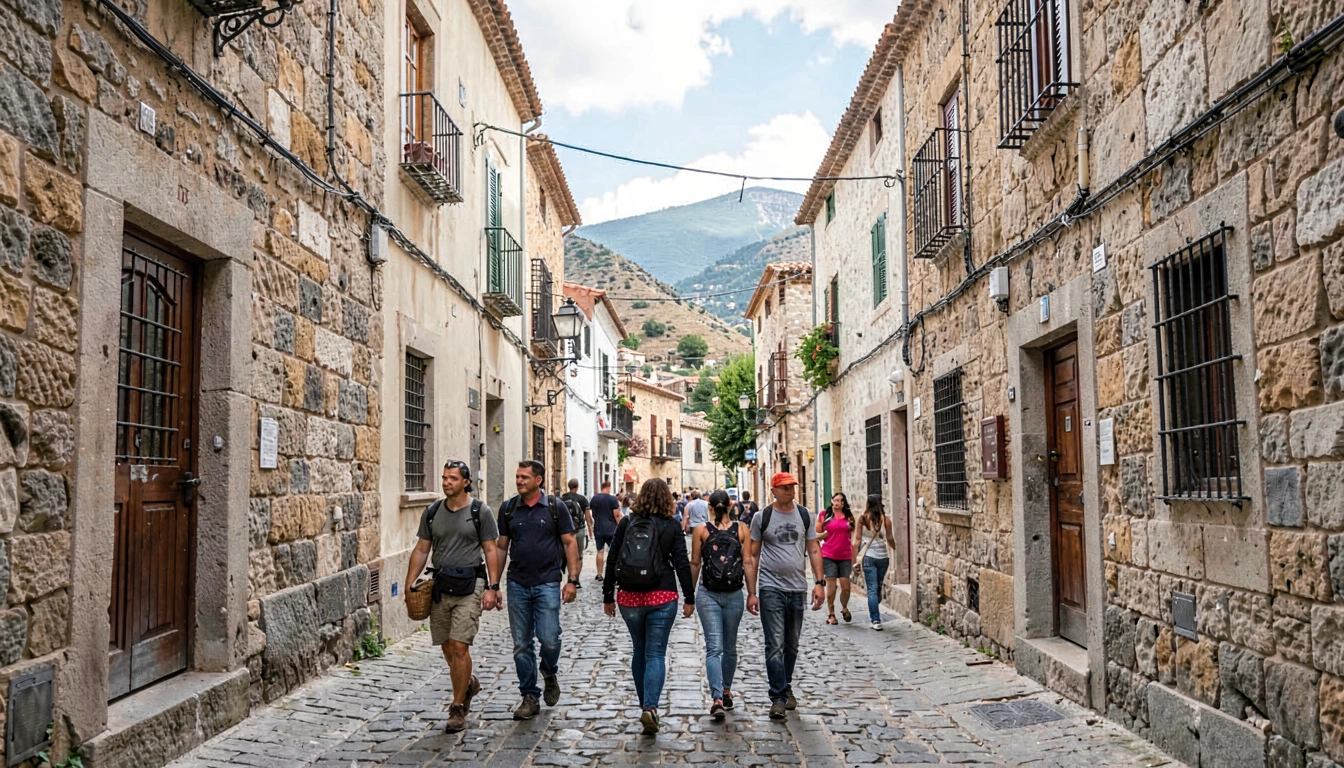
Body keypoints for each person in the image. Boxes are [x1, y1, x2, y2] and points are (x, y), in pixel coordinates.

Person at [405, 460, 502, 733]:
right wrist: (409, 583)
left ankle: (458, 707)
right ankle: (468, 683)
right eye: (444, 477)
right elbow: (422, 548)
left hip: (471, 584)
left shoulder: (480, 511)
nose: (447, 482)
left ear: (466, 482)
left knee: (460, 646)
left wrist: (493, 587)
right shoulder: (433, 511)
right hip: (441, 584)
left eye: (452, 478)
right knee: (447, 647)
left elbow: (491, 550)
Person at [603, 478, 695, 735]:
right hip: (662, 596)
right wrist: (689, 596)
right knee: (655, 654)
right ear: (667, 498)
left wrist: (608, 594)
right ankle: (650, 708)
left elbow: (613, 559)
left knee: (639, 650)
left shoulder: (627, 522)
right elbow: (682, 563)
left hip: (629, 598)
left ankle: (645, 704)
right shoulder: (671, 525)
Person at [495, 460, 582, 720]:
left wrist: (572, 580)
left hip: (548, 581)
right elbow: (501, 548)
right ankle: (529, 696)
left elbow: (570, 542)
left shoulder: (556, 508)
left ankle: (549, 669)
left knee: (549, 638)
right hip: (517, 583)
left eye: (524, 477)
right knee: (521, 644)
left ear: (538, 480)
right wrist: (493, 585)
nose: (519, 481)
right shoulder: (509, 509)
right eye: (517, 476)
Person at [748, 472, 824, 720]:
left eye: (792, 486)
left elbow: (813, 548)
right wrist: (752, 591)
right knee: (775, 645)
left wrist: (820, 582)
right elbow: (753, 555)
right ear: (773, 491)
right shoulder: (762, 517)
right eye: (784, 487)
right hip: (770, 587)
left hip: (797, 587)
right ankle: (778, 697)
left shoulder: (805, 515)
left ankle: (786, 684)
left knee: (791, 644)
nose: (789, 490)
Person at [690, 489, 752, 719]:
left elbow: (695, 563)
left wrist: (689, 595)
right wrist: (753, 593)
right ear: (730, 506)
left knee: (713, 648)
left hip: (708, 593)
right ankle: (725, 692)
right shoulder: (742, 529)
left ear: (710, 507)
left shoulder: (701, 530)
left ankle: (716, 698)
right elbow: (747, 562)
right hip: (735, 593)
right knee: (729, 646)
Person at [852, 494, 900, 630]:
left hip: (868, 557)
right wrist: (895, 548)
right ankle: (875, 615)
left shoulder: (862, 519)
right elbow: (890, 539)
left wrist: (854, 560)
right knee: (877, 586)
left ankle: (875, 620)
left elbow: (857, 541)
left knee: (872, 589)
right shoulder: (886, 520)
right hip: (883, 557)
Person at [817, 493, 855, 624]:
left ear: (843, 503)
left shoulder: (848, 517)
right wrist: (826, 532)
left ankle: (844, 608)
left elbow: (853, 535)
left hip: (845, 555)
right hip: (829, 554)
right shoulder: (824, 515)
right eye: (835, 500)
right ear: (831, 501)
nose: (837, 502)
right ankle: (831, 613)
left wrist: (855, 558)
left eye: (840, 500)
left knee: (846, 587)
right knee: (831, 587)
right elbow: (816, 534)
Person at [588, 481, 623, 581]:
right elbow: (617, 515)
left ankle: (599, 574)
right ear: (608, 487)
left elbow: (592, 513)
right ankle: (613, 573)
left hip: (599, 528)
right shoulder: (612, 499)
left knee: (600, 551)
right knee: (614, 552)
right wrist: (620, 527)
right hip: (611, 529)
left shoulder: (594, 499)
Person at [562, 479, 590, 559]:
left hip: (566, 529)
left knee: (567, 554)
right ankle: (577, 571)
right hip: (579, 529)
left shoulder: (563, 498)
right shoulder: (582, 499)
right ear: (577, 487)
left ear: (568, 486)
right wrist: (590, 532)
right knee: (579, 555)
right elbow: (588, 517)